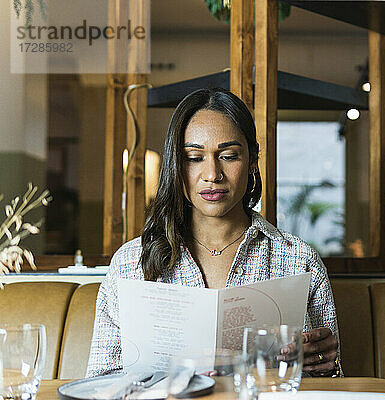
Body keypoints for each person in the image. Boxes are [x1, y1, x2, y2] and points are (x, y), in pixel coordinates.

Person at [86, 88, 341, 378]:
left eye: (229, 156)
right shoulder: (131, 263)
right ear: (175, 165)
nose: (212, 174)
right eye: (194, 158)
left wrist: (324, 367)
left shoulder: (299, 260)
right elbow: (100, 381)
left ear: (253, 160)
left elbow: (329, 381)